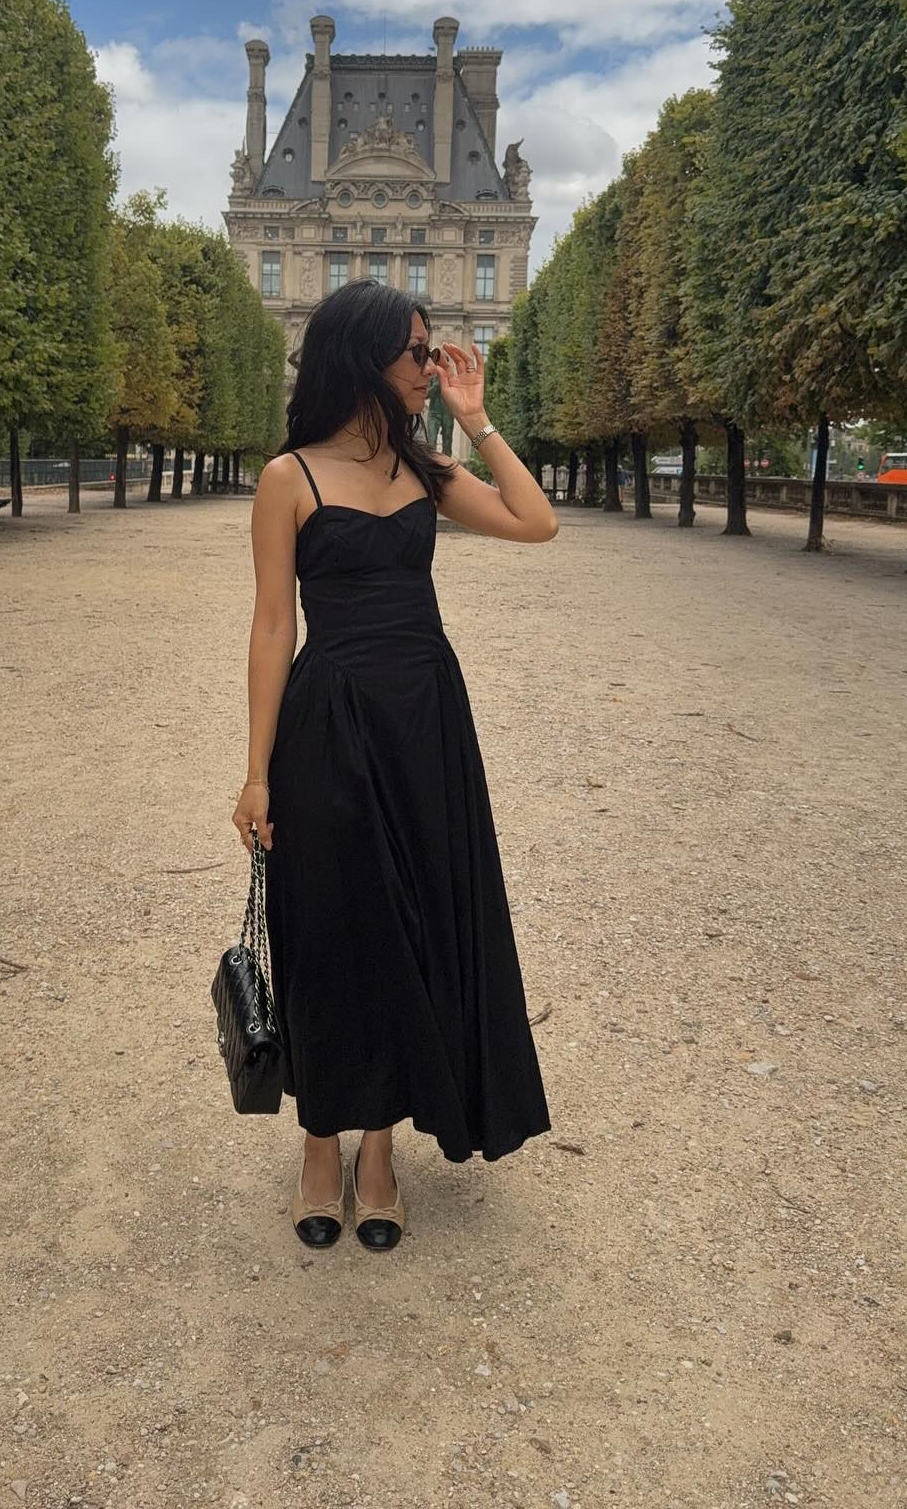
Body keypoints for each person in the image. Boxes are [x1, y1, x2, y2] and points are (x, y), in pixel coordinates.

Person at [232, 281, 555, 1253]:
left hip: (425, 720)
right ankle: (319, 1146)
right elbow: (271, 624)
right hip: (329, 722)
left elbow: (536, 523)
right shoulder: (288, 475)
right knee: (330, 926)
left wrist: (478, 419)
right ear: (363, 359)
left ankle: (381, 1151)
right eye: (418, 354)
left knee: (413, 922)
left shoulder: (431, 467)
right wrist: (254, 773)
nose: (432, 366)